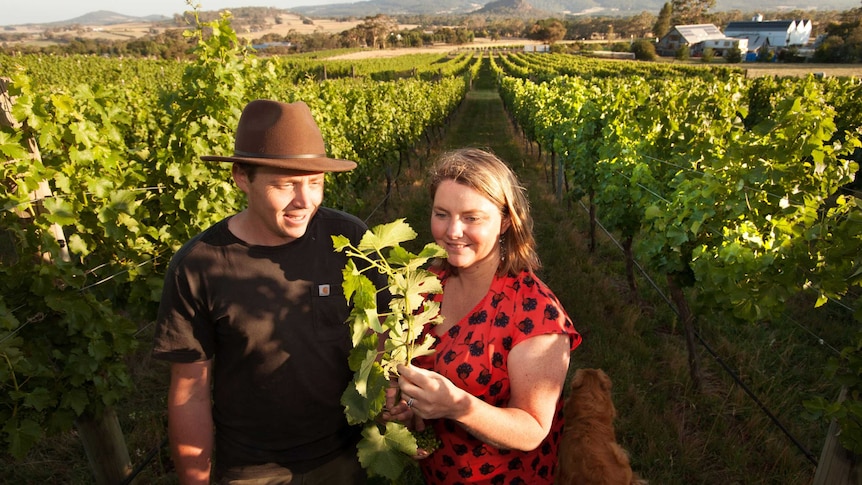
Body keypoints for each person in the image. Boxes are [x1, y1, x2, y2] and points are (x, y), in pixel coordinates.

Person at [152, 99, 384, 484]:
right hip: (252, 470)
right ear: (242, 177)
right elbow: (190, 392)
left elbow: (381, 333)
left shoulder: (350, 239)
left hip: (346, 457)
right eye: (285, 184)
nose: (304, 201)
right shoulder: (199, 266)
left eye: (315, 183)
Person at [391, 148, 582, 484]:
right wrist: (401, 407)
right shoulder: (423, 287)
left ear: (505, 221)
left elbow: (532, 429)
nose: (452, 231)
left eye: (471, 217)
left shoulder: (536, 314)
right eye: (441, 214)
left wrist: (456, 405)